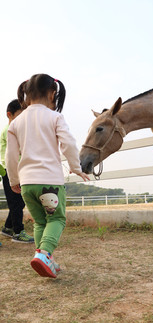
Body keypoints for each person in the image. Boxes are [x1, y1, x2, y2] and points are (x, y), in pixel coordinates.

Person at [5, 74, 90, 278]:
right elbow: (68, 144)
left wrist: (14, 180)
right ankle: (44, 254)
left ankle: (43, 258)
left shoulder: (15, 123)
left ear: (26, 95)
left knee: (41, 222)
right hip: (49, 182)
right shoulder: (55, 117)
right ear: (53, 94)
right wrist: (76, 167)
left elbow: (10, 156)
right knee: (57, 219)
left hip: (26, 184)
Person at [0, 99, 34, 243]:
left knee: (18, 202)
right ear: (10, 114)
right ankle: (18, 232)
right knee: (16, 203)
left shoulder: (15, 128)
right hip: (9, 170)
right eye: (21, 115)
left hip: (16, 169)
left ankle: (8, 228)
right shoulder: (10, 129)